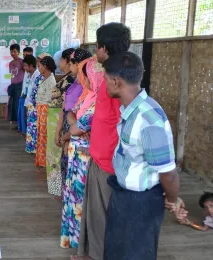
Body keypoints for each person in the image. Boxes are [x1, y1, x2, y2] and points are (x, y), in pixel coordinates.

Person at [102, 51, 182, 260]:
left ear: (116, 81)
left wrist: (172, 199)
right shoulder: (131, 110)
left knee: (136, 254)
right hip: (123, 195)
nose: (105, 84)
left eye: (106, 80)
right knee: (115, 251)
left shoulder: (148, 119)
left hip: (141, 203)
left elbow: (168, 173)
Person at [74, 23, 131, 260]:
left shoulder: (116, 77)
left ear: (103, 48)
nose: (95, 52)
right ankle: (92, 254)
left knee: (105, 216)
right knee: (96, 214)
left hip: (109, 158)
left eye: (96, 47)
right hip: (101, 152)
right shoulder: (116, 71)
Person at [60, 57, 96, 249]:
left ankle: (82, 245)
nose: (85, 80)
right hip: (77, 153)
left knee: (81, 201)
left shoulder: (98, 99)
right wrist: (73, 129)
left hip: (85, 158)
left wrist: (73, 129)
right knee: (74, 199)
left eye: (88, 76)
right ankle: (75, 242)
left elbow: (77, 126)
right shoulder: (86, 95)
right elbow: (70, 113)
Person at [46, 48, 75, 200]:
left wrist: (59, 129)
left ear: (68, 61)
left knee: (59, 155)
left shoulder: (72, 80)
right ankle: (56, 187)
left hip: (62, 120)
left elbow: (65, 107)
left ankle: (60, 188)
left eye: (61, 60)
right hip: (57, 118)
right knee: (55, 154)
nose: (59, 63)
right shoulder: (68, 77)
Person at [34, 56, 57, 170]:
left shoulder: (51, 81)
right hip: (40, 108)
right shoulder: (44, 78)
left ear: (46, 66)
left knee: (44, 136)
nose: (38, 67)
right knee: (41, 135)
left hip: (45, 109)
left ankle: (46, 161)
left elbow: (49, 99)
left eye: (40, 65)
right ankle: (42, 160)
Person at [25, 53, 47, 154]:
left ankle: (34, 148)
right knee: (31, 128)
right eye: (37, 62)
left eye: (39, 62)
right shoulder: (37, 75)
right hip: (32, 105)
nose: (38, 64)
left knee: (34, 129)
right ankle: (31, 148)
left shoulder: (41, 76)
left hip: (37, 106)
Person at [7, 44, 25, 127]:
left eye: (14, 51)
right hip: (13, 85)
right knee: (12, 104)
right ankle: (14, 121)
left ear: (18, 52)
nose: (13, 53)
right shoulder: (10, 63)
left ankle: (20, 123)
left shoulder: (21, 62)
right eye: (11, 51)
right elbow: (11, 75)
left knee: (18, 104)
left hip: (20, 86)